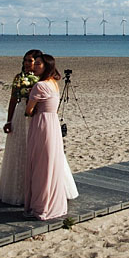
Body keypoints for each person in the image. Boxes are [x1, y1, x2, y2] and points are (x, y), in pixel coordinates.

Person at [24, 54, 79, 220]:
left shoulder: (39, 86)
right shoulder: (54, 84)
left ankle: (41, 206)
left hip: (42, 123)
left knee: (40, 164)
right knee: (50, 163)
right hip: (52, 123)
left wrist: (29, 101)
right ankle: (51, 202)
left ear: (46, 66)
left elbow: (28, 111)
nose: (35, 66)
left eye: (39, 64)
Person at [0, 49, 43, 205]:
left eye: (31, 61)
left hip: (37, 114)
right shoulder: (19, 78)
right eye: (26, 60)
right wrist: (9, 121)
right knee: (19, 150)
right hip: (21, 113)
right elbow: (13, 99)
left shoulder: (42, 78)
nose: (28, 64)